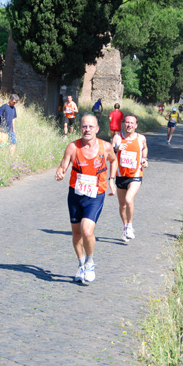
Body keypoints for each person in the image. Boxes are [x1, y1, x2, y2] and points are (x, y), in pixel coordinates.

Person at [55, 114, 117, 284]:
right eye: (84, 126)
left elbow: (114, 160)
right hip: (75, 194)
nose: (87, 129)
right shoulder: (73, 147)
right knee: (76, 233)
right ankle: (81, 264)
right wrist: (60, 172)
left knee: (87, 230)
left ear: (97, 129)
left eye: (91, 127)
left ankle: (90, 262)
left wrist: (111, 179)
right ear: (80, 128)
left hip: (95, 194)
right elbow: (63, 165)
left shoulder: (105, 147)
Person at [111, 114, 148, 243]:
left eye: (132, 123)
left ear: (136, 125)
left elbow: (144, 149)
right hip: (121, 175)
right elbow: (109, 154)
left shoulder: (141, 138)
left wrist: (144, 159)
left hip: (136, 175)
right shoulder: (117, 137)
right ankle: (125, 227)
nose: (129, 125)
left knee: (128, 199)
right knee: (122, 205)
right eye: (127, 122)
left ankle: (130, 225)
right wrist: (116, 148)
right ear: (123, 124)